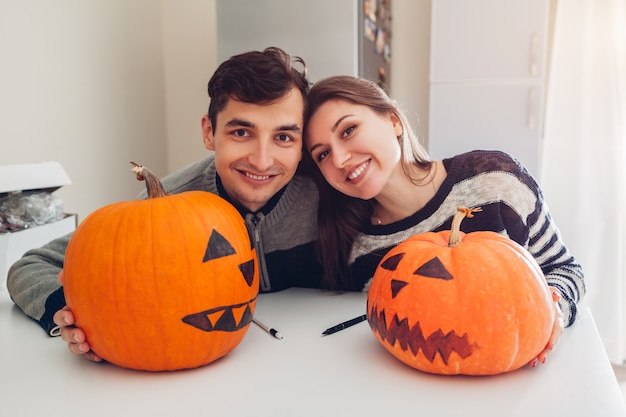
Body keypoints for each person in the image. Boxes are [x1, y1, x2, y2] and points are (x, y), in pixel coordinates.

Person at [7, 47, 322, 362]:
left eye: (283, 138)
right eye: (241, 132)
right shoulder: (166, 206)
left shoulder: (324, 193)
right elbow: (30, 267)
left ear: (301, 145)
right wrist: (77, 315)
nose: (262, 160)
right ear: (209, 133)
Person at [302, 75, 585, 367]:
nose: (338, 159)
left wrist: (552, 311)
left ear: (393, 121)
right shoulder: (359, 249)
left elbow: (565, 269)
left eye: (348, 130)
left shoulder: (496, 182)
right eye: (322, 154)